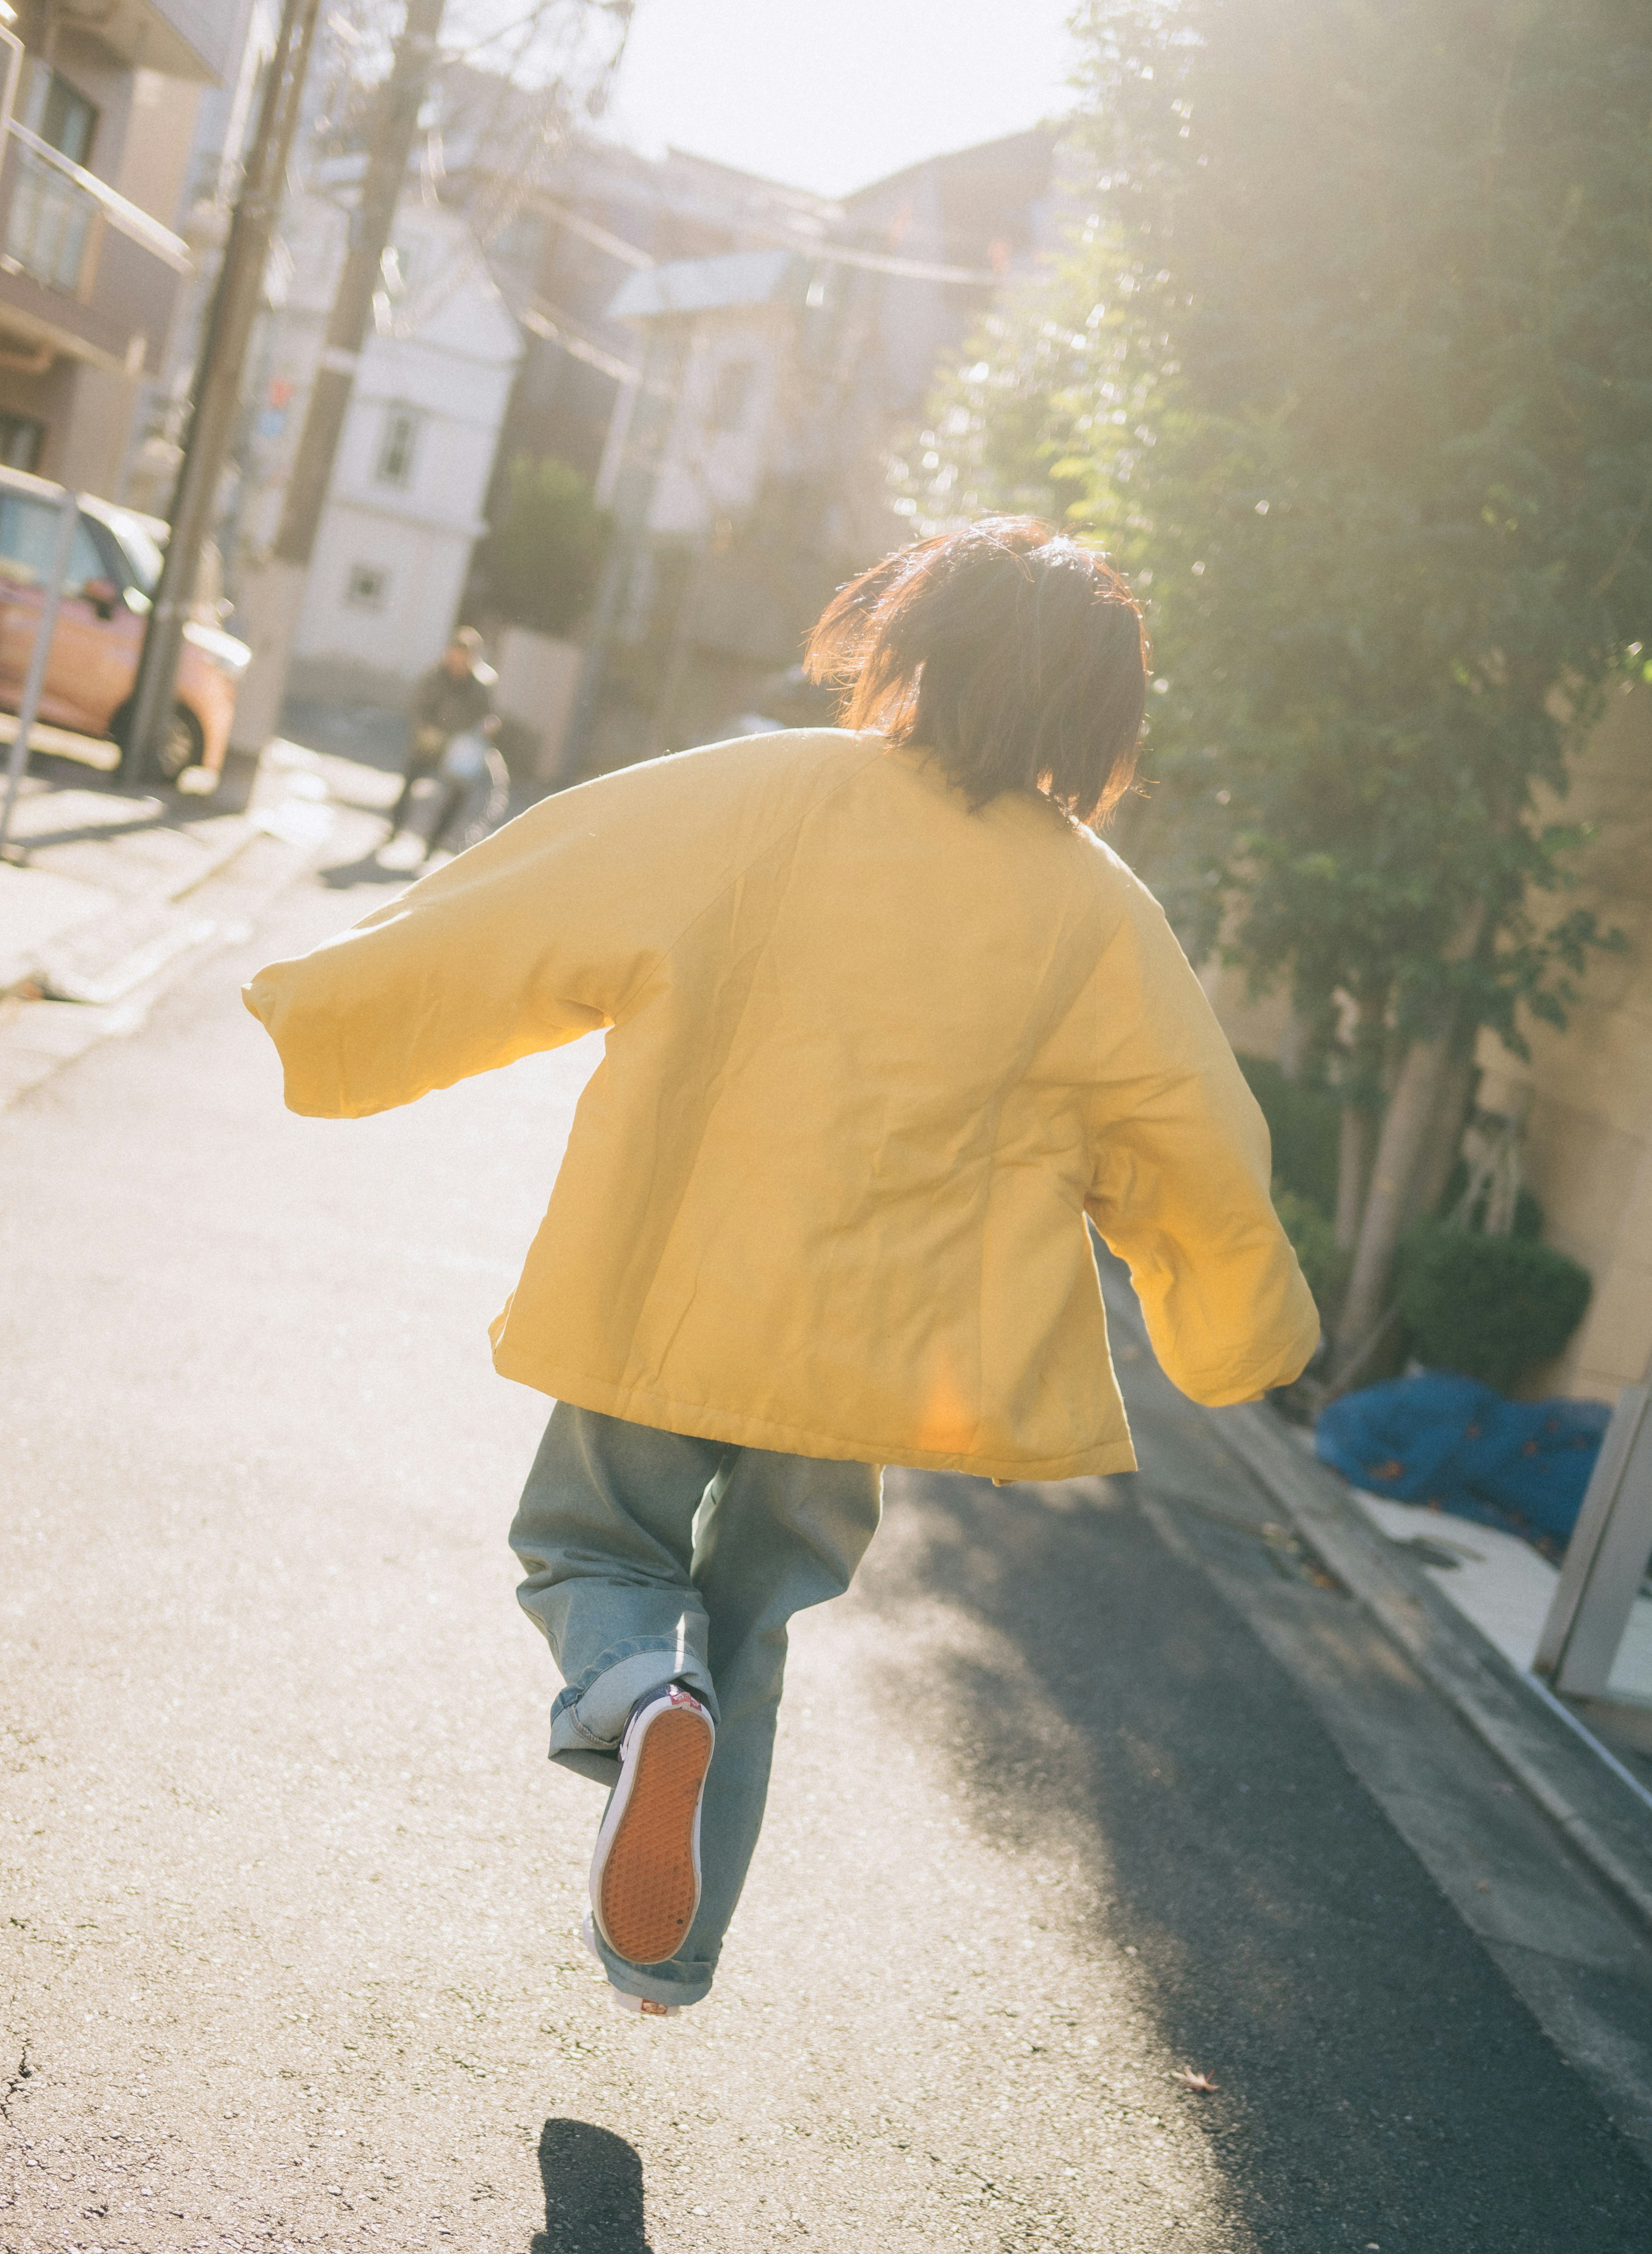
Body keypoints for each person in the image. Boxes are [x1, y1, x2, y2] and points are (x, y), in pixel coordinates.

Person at [242, 519, 1319, 2018]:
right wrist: (1241, 1325)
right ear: (1099, 720)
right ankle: (660, 1960)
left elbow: (530, 902)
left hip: (670, 1288)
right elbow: (1189, 1140)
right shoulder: (1099, 915)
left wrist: (335, 1010)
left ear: (915, 647)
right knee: (757, 1626)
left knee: (596, 1545)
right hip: (876, 1361)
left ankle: (635, 1690)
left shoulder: (756, 795)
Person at [384, 626, 501, 858]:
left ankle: (433, 844)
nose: (459, 662)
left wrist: (488, 727)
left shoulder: (482, 684)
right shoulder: (436, 676)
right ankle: (395, 829)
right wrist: (425, 729)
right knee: (410, 784)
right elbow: (419, 706)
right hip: (432, 740)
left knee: (458, 794)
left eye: (465, 657)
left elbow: (488, 715)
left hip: (460, 747)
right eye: (456, 655)